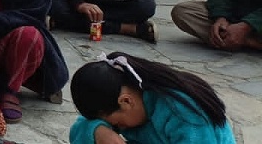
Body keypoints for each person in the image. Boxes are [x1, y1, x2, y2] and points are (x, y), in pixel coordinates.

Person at [69, 53, 236, 144]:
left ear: (126, 101)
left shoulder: (182, 111)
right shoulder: (126, 98)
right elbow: (82, 125)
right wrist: (99, 131)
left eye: (117, 124)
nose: (117, 127)